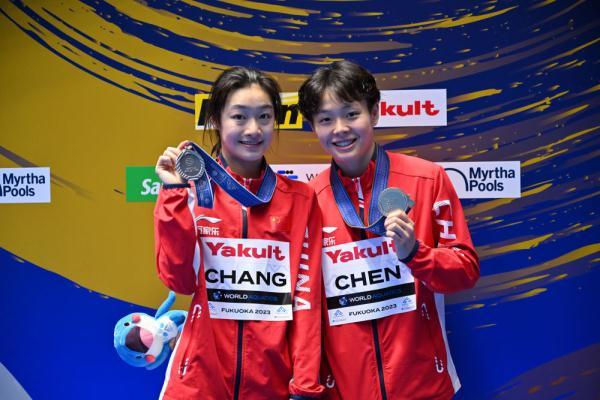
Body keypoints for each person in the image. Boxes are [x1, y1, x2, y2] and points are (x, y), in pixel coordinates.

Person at [298, 60, 480, 400]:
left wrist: (415, 253)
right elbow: (305, 307)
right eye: (326, 119)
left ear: (375, 113)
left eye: (351, 114)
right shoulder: (308, 201)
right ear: (313, 128)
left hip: (423, 387)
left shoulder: (427, 179)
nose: (340, 129)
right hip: (346, 391)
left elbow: (465, 272)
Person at [154, 66, 324, 400]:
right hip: (197, 383)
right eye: (239, 117)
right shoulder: (191, 192)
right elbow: (179, 281)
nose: (253, 129)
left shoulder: (300, 199)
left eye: (264, 116)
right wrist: (173, 193)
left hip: (271, 383)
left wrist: (305, 386)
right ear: (216, 120)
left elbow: (306, 298)